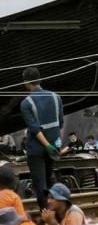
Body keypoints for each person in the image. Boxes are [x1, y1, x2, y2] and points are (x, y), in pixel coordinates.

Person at [20, 67, 64, 210]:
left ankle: (47, 215)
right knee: (50, 180)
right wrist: (57, 144)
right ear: (40, 79)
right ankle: (58, 212)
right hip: (54, 147)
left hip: (37, 150)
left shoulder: (26, 103)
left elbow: (35, 128)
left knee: (40, 183)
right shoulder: (56, 97)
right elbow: (60, 124)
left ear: (26, 82)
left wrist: (47, 145)